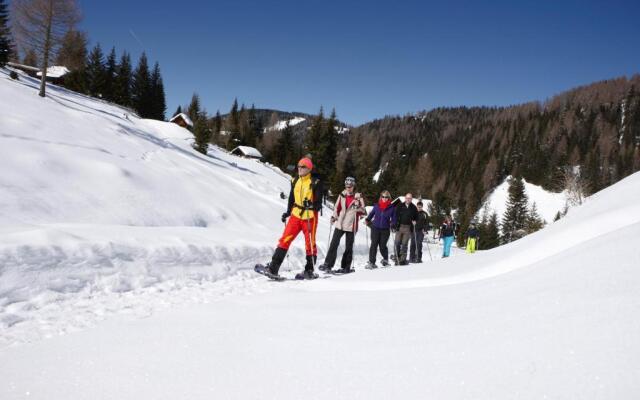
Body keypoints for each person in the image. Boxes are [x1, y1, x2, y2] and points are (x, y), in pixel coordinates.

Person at [263, 157, 323, 279]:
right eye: (299, 166)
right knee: (285, 239)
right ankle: (273, 268)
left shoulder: (315, 182)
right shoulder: (295, 180)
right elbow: (292, 198)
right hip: (296, 215)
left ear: (309, 168)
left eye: (303, 167)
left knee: (310, 244)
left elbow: (318, 204)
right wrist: (288, 212)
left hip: (309, 216)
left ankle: (309, 270)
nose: (300, 169)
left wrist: (310, 205)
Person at [319, 177, 366, 273]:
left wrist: (359, 208)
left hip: (351, 225)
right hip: (340, 223)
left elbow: (364, 212)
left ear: (353, 186)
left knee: (348, 247)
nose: (348, 188)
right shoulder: (342, 195)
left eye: (350, 186)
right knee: (334, 243)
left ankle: (346, 267)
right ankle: (328, 264)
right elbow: (337, 207)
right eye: (347, 186)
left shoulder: (358, 197)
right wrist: (334, 217)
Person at [364, 190, 396, 268]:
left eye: (386, 197)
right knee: (374, 244)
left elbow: (394, 218)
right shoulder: (377, 206)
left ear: (389, 198)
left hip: (385, 229)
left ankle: (385, 259)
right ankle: (372, 262)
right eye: (383, 197)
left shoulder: (391, 208)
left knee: (382, 246)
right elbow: (371, 214)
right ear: (380, 197)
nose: (384, 198)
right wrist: (368, 219)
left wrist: (393, 224)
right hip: (375, 228)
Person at [393, 193, 418, 265]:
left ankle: (402, 259)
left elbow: (416, 217)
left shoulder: (413, 207)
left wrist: (415, 221)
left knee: (404, 244)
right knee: (397, 242)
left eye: (410, 198)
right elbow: (395, 215)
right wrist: (394, 224)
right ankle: (396, 257)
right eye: (407, 198)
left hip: (408, 228)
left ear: (411, 199)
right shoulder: (400, 205)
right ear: (405, 198)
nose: (408, 199)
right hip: (399, 227)